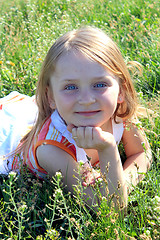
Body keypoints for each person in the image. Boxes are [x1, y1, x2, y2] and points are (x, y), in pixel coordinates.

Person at [0, 26, 152, 208]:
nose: (87, 100)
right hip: (10, 141)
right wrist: (108, 149)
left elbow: (141, 153)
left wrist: (123, 182)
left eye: (100, 84)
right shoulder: (51, 149)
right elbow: (110, 209)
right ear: (51, 97)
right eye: (71, 87)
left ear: (121, 90)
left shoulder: (120, 113)